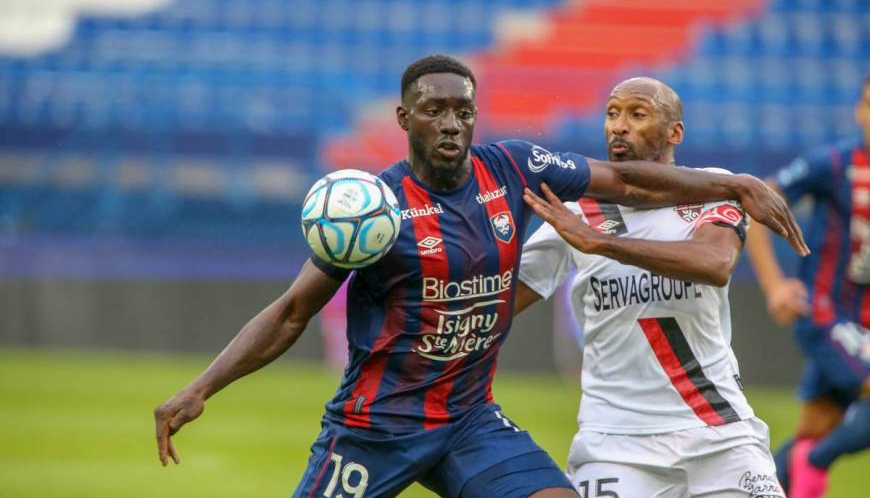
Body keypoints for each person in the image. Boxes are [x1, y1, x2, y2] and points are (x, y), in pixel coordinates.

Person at [153, 56, 806, 498]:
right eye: (434, 111)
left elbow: (630, 183)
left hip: (470, 422)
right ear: (406, 119)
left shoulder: (515, 168)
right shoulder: (375, 210)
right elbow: (293, 310)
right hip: (376, 426)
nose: (452, 123)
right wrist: (203, 386)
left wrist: (736, 183)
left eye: (463, 110)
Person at [516, 77, 787, 497]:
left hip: (718, 432)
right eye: (612, 113)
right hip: (615, 442)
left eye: (637, 114)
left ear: (674, 132)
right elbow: (501, 300)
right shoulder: (575, 212)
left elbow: (714, 264)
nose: (618, 126)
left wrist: (602, 243)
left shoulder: (716, 188)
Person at [745, 76, 870, 498]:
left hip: (863, 327)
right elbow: (758, 199)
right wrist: (775, 286)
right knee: (815, 449)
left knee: (814, 429)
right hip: (825, 315)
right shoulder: (833, 164)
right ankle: (813, 464)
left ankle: (773, 486)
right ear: (858, 110)